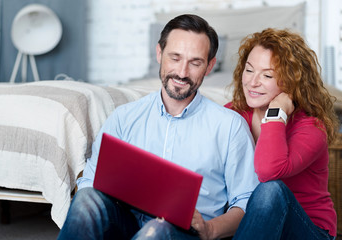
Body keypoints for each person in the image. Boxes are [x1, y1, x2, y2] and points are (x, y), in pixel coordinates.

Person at [57, 14, 259, 240]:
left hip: (187, 234)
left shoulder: (230, 126)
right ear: (159, 53)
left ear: (209, 66)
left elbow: (246, 203)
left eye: (195, 62)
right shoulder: (124, 117)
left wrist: (209, 229)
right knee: (85, 199)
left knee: (157, 230)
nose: (182, 73)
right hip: (127, 223)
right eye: (175, 58)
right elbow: (90, 183)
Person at [225, 28, 339, 240]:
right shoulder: (233, 114)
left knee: (271, 190)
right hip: (253, 227)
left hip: (309, 231)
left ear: (291, 82)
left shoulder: (312, 128)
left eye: (267, 75)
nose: (252, 82)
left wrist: (276, 113)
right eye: (249, 70)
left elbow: (268, 172)